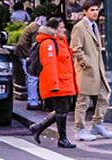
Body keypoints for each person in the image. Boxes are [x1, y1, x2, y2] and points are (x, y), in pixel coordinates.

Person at [29, 18, 78, 149]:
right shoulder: (49, 44)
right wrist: (54, 85)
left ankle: (38, 128)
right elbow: (50, 66)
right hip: (58, 83)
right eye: (61, 28)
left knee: (62, 110)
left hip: (64, 82)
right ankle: (62, 139)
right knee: (62, 111)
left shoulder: (59, 42)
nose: (64, 30)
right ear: (54, 30)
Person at [70, 0, 112, 141]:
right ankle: (80, 128)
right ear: (85, 12)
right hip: (87, 69)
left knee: (104, 94)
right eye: (92, 10)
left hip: (97, 68)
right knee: (83, 100)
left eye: (96, 10)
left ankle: (97, 123)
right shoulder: (79, 27)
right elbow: (76, 48)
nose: (95, 13)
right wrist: (85, 64)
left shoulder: (94, 26)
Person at [16, 16, 48, 110]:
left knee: (31, 78)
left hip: (24, 54)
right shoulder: (36, 29)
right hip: (26, 55)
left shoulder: (33, 26)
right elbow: (36, 45)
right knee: (32, 78)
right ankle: (32, 102)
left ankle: (33, 100)